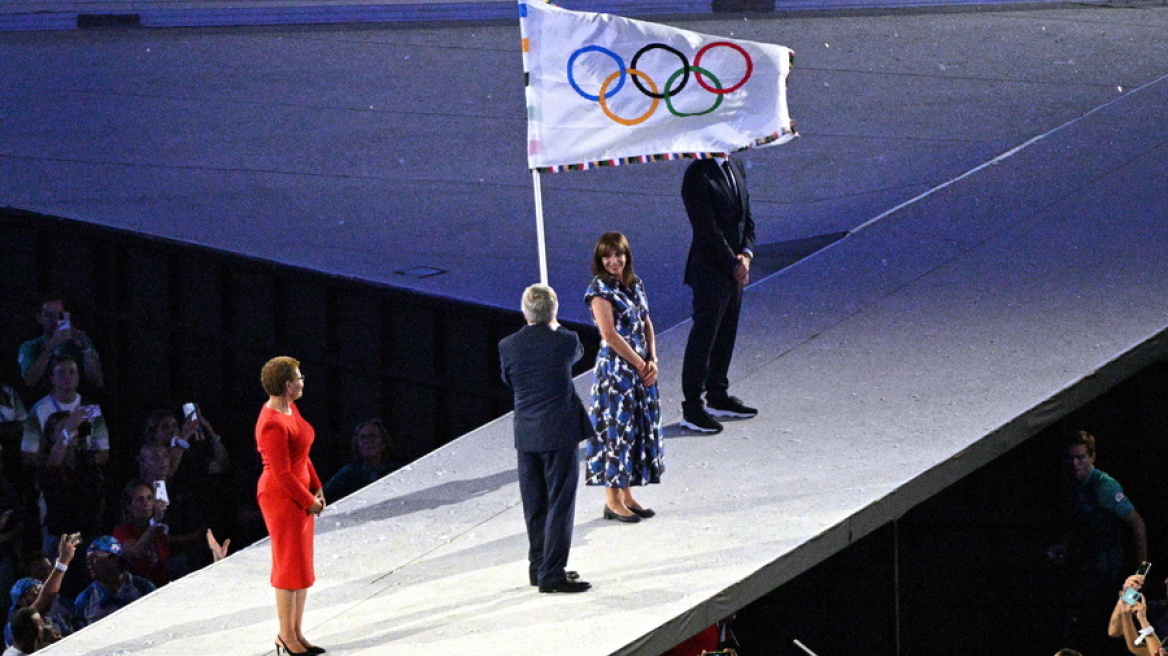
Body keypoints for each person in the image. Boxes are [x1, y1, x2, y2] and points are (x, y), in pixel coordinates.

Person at [499, 284, 591, 594]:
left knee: (535, 505)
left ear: (524, 312)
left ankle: (539, 567)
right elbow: (577, 354)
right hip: (559, 433)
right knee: (560, 504)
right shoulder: (565, 340)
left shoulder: (508, 346)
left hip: (527, 435)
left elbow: (508, 379)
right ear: (553, 311)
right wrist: (554, 325)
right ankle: (552, 572)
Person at [583, 233, 662, 522]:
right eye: (607, 257)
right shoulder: (599, 290)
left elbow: (646, 321)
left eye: (618, 255)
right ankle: (612, 501)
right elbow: (609, 334)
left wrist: (652, 358)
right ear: (600, 260)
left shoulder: (635, 283)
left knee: (634, 431)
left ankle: (627, 495)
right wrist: (641, 363)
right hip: (616, 373)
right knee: (615, 433)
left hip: (641, 368)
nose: (614, 261)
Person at [679, 155, 759, 434]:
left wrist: (746, 255)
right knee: (705, 336)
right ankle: (692, 406)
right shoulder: (698, 175)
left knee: (727, 332)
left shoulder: (735, 165)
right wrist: (733, 263)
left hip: (736, 267)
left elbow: (746, 216)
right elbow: (706, 230)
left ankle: (718, 394)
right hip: (710, 269)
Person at [1050, 429, 1148, 653]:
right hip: (1083, 566)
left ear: (1092, 457)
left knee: (1100, 629)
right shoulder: (1072, 483)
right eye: (1071, 458)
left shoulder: (1105, 486)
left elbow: (1137, 523)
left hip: (1105, 569)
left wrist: (1140, 572)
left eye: (1081, 458)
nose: (1075, 464)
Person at [256, 356, 325, 656]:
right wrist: (308, 500)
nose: (302, 381)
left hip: (299, 493)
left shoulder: (290, 408)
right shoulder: (271, 423)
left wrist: (317, 484)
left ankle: (296, 631)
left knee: (300, 565)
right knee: (288, 565)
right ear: (287, 385)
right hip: (282, 498)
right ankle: (285, 636)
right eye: (299, 377)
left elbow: (302, 454)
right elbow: (282, 473)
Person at [36, 412, 105, 556]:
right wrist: (66, 433)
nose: (70, 433)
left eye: (73, 428)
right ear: (51, 435)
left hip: (87, 532)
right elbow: (52, 468)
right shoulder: (45, 463)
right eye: (62, 429)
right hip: (59, 535)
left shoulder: (86, 459)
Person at [22, 356, 109, 469]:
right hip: (51, 472)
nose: (67, 376)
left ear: (78, 377)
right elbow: (28, 456)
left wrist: (84, 463)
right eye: (61, 373)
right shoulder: (38, 409)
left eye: (72, 372)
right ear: (52, 378)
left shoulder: (91, 409)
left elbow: (104, 452)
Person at [4, 534, 78, 647]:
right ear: (21, 600)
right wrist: (62, 562)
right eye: (37, 589)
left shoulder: (53, 619)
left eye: (49, 570)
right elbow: (45, 600)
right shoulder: (14, 626)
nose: (42, 590)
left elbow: (73, 640)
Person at [17, 297, 103, 391]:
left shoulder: (79, 342)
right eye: (49, 315)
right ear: (39, 318)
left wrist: (86, 350)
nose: (55, 320)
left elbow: (97, 381)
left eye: (60, 315)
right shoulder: (30, 346)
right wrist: (50, 347)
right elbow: (29, 381)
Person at [72, 536, 156, 629]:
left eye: (94, 557)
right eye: (88, 559)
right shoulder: (85, 599)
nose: (89, 563)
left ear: (114, 558)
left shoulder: (143, 587)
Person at [322, 420, 405, 501]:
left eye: (372, 436)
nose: (367, 441)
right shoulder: (349, 473)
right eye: (362, 437)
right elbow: (323, 495)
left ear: (383, 443)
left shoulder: (396, 471)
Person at [112, 481, 170, 587]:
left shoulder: (159, 529)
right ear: (129, 506)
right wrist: (155, 522)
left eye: (149, 498)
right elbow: (137, 552)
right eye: (140, 499)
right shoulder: (121, 532)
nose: (146, 503)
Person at [1108, 573, 1167, 655]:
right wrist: (1127, 596)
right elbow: (1115, 632)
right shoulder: (1154, 608)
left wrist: (1143, 620)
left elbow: (1157, 654)